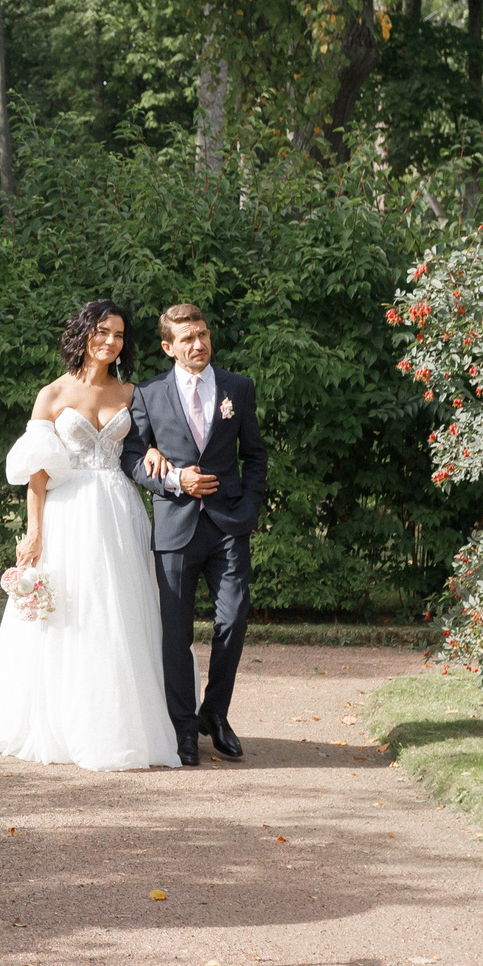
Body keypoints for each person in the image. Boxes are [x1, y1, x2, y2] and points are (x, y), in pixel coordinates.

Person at [0, 300, 183, 771]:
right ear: (84, 333)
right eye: (102, 331)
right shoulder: (52, 395)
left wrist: (158, 449)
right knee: (72, 610)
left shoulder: (131, 392)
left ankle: (126, 720)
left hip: (121, 512)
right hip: (69, 512)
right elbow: (36, 472)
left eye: (119, 335)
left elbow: (144, 444)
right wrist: (34, 531)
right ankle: (67, 717)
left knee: (121, 610)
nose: (110, 341)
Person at [123, 303, 268, 767]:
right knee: (175, 634)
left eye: (202, 334)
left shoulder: (237, 389)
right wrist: (174, 481)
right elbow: (130, 459)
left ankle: (216, 715)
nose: (198, 344)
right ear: (168, 347)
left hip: (228, 526)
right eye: (186, 339)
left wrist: (247, 509)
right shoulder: (148, 395)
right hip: (175, 527)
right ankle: (183, 730)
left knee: (233, 619)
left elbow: (256, 456)